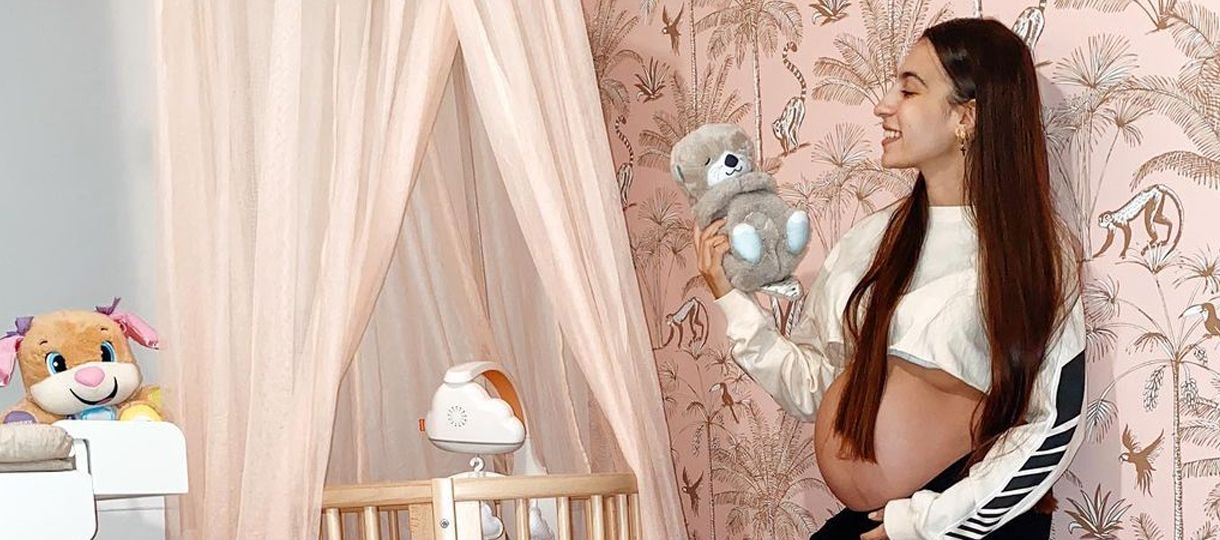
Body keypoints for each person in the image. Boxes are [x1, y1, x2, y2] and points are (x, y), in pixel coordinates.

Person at [693, 18, 1086, 540]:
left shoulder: (1030, 251)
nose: (883, 105)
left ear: (966, 117)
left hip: (963, 518)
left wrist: (928, 522)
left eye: (908, 89)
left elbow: (1053, 422)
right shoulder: (872, 240)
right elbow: (815, 385)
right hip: (881, 521)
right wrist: (732, 300)